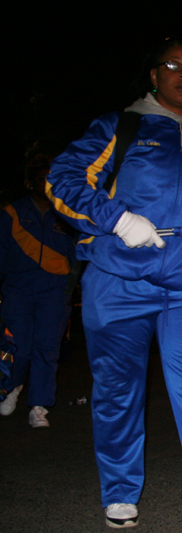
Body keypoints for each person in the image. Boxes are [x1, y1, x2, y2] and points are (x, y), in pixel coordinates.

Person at [46, 40, 182, 532]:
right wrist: (116, 219)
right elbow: (62, 179)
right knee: (118, 392)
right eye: (175, 67)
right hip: (118, 282)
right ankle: (119, 491)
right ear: (154, 75)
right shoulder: (120, 126)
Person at [0, 155, 76, 427]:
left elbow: (78, 255)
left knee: (47, 348)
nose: (45, 183)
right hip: (18, 290)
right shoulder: (12, 213)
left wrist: (70, 287)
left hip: (54, 292)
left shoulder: (67, 215)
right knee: (18, 348)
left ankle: (39, 406)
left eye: (49, 178)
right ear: (30, 182)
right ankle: (12, 388)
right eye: (39, 178)